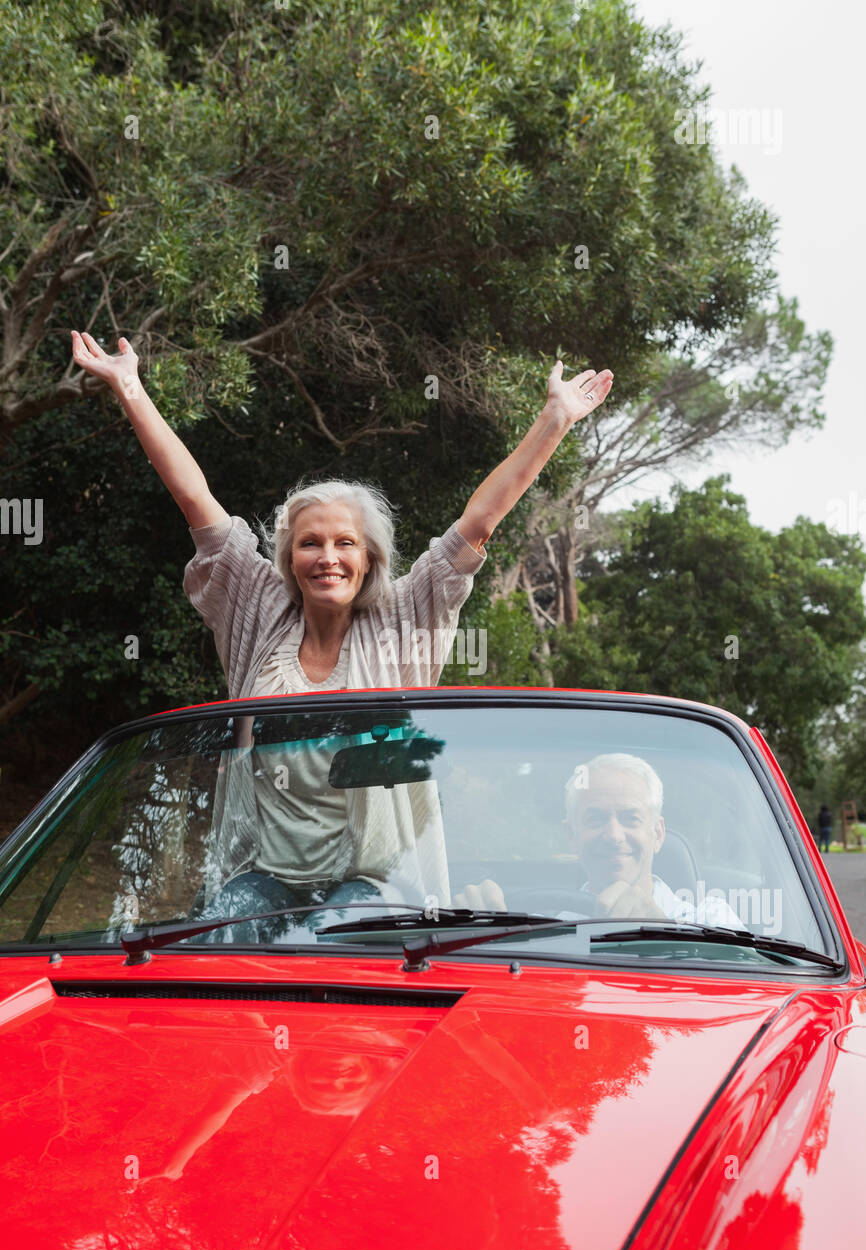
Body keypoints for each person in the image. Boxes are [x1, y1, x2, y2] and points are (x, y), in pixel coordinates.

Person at [70, 328, 614, 934]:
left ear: (369, 557)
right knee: (224, 939)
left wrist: (556, 419)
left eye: (344, 543)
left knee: (327, 943)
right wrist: (130, 387)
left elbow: (476, 527)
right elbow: (194, 500)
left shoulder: (407, 616)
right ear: (289, 559)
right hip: (265, 872)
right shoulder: (255, 606)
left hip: (379, 878)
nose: (327, 556)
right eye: (310, 543)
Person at [456, 752, 744, 927]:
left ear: (657, 833)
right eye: (596, 819)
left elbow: (750, 998)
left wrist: (664, 934)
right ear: (572, 835)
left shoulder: (712, 923)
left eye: (630, 818)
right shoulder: (547, 933)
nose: (613, 836)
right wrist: (477, 935)